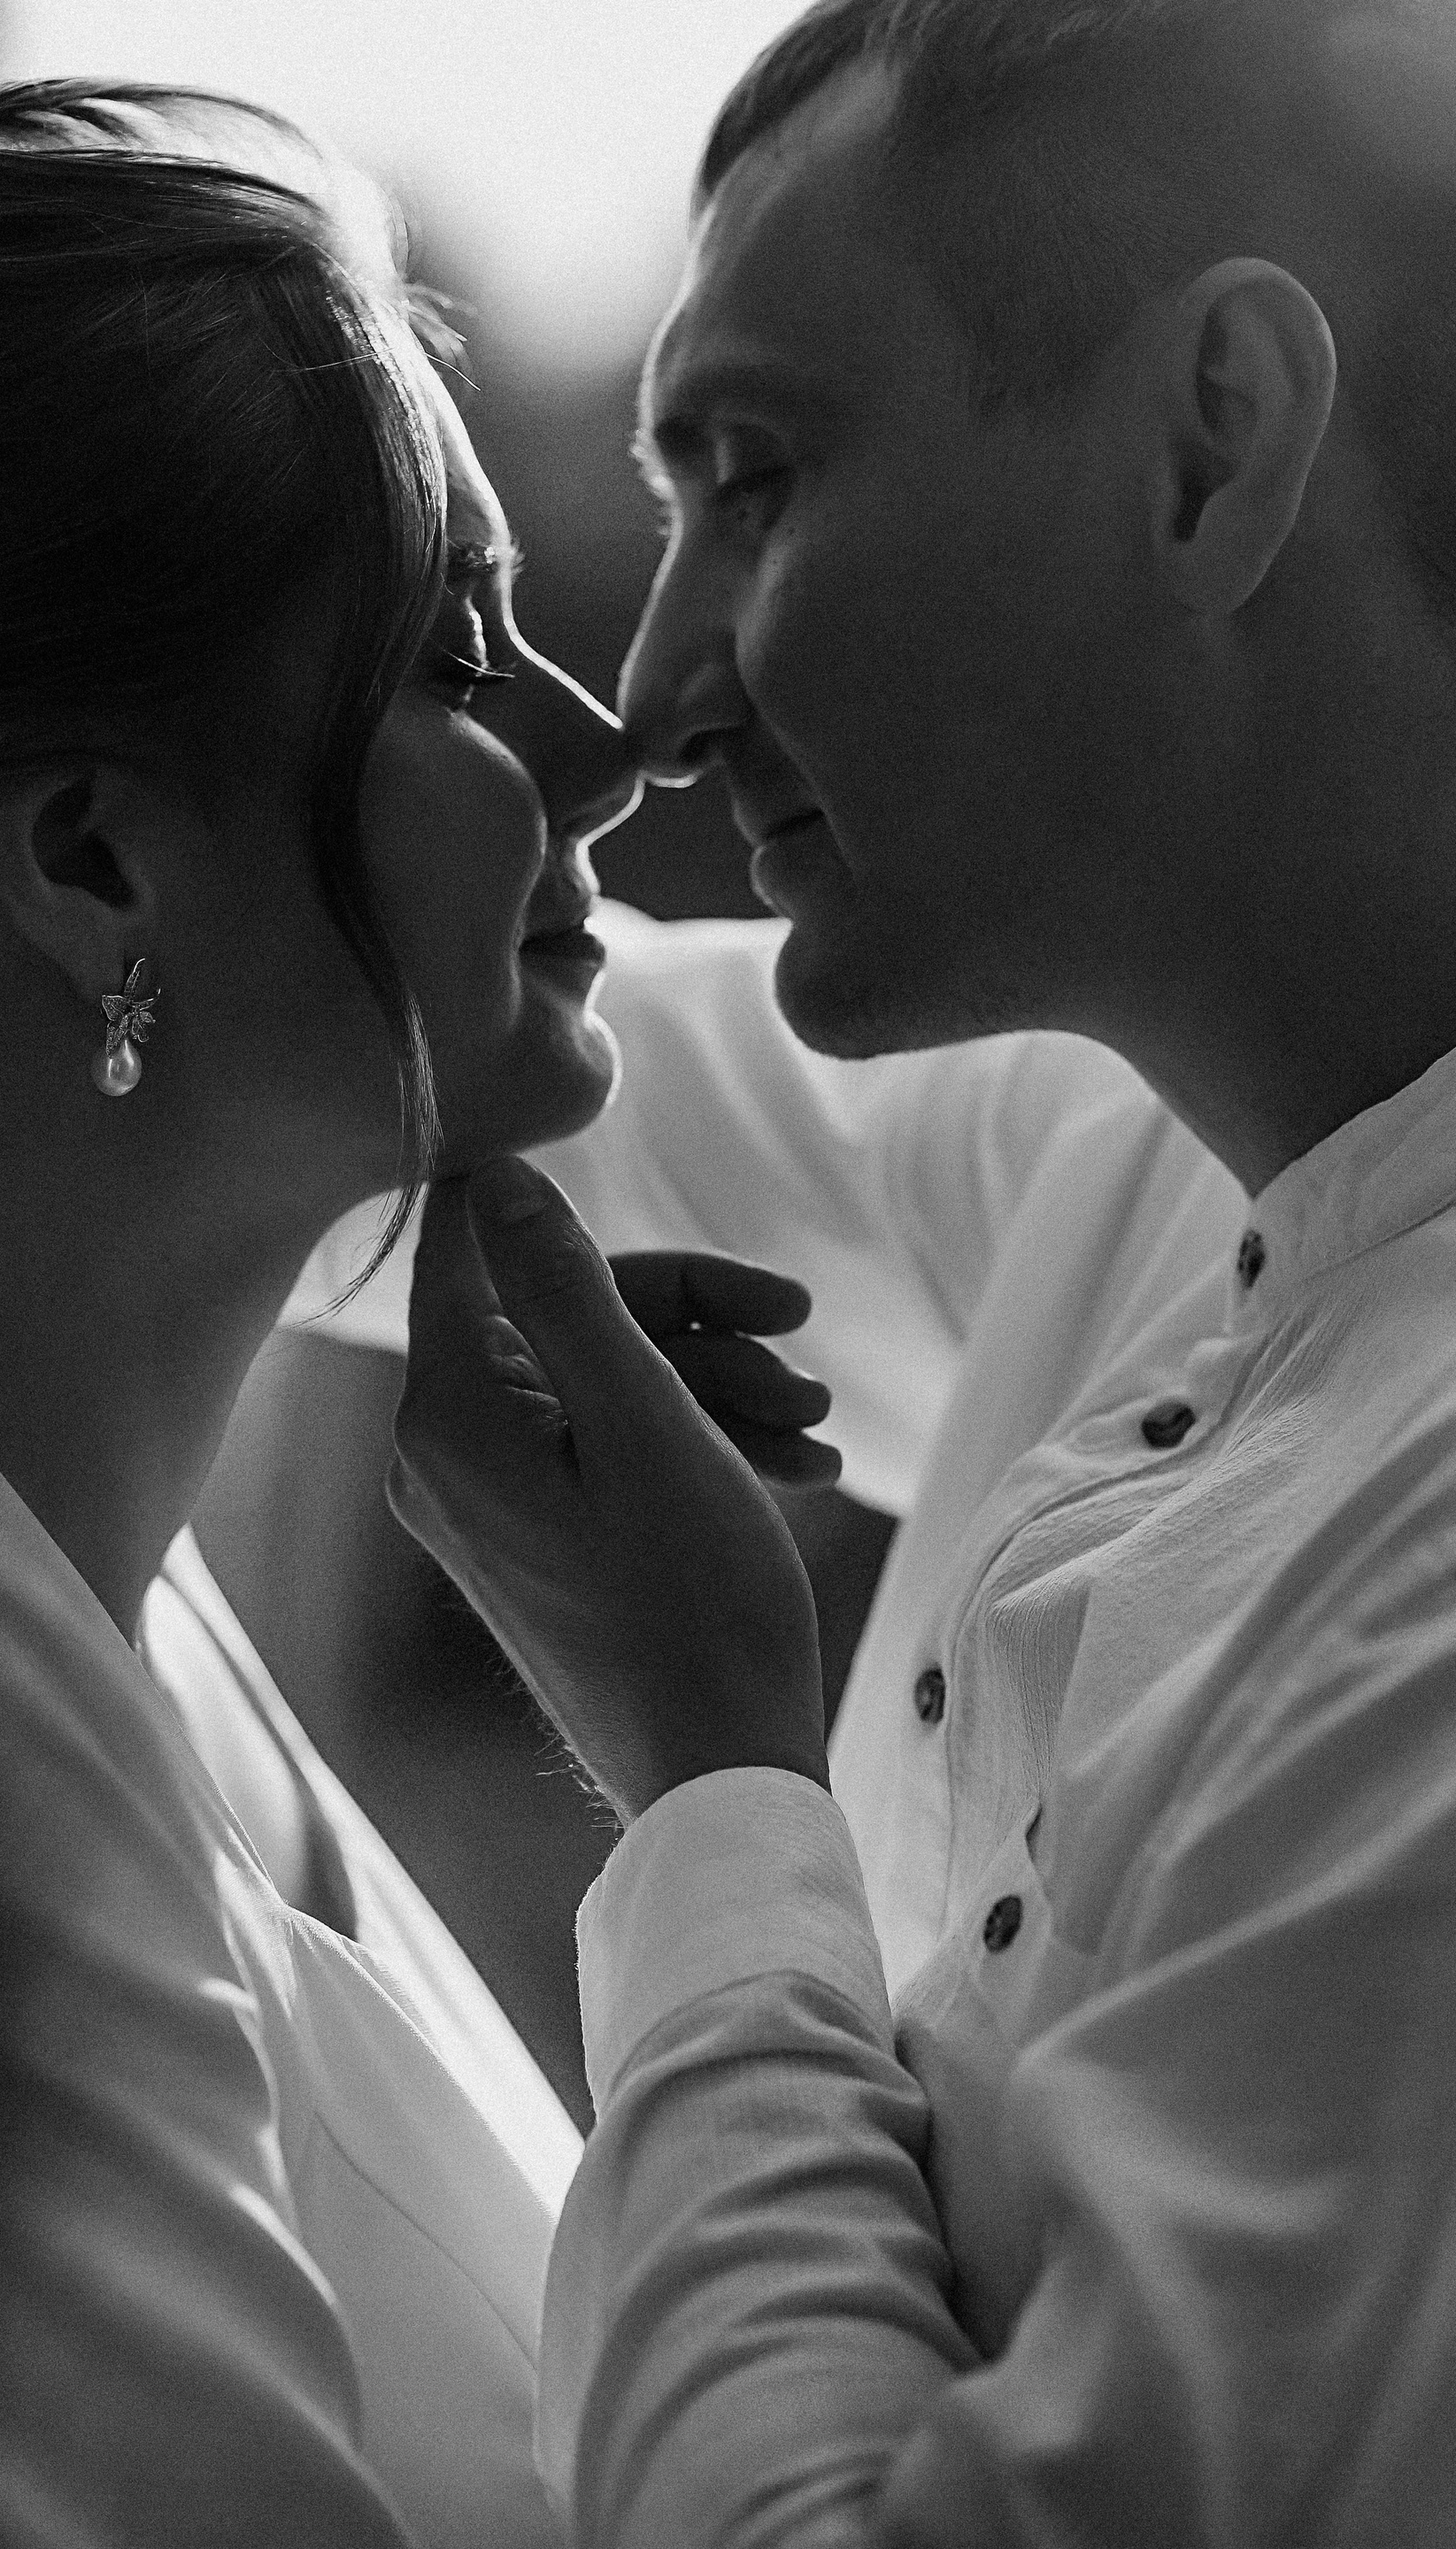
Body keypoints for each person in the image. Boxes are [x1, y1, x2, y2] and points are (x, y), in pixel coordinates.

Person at [386, 2, 1456, 2541]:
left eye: (755, 477)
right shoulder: (1135, 1140)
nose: (650, 702)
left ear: (1212, 443)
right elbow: (411, 1046)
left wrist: (709, 1784)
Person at [0, 76, 835, 2547]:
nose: (603, 745)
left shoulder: (117, 1601)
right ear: (89, 855)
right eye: (457, 647)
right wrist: (716, 1783)